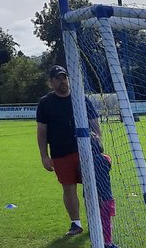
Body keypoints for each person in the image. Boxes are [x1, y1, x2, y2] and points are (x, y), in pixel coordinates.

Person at [35, 65, 100, 236]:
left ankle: (97, 220)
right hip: (60, 152)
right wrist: (44, 156)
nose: (62, 81)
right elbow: (42, 131)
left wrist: (99, 141)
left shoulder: (81, 99)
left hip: (85, 151)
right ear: (50, 83)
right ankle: (76, 223)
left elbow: (94, 122)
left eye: (64, 77)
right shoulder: (45, 103)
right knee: (68, 187)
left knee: (92, 186)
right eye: (58, 78)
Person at [91, 134, 118, 248]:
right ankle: (107, 243)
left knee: (94, 220)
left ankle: (97, 242)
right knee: (106, 221)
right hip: (105, 195)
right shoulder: (106, 158)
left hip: (91, 196)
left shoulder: (86, 161)